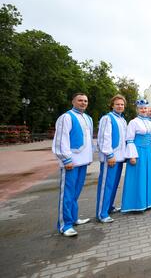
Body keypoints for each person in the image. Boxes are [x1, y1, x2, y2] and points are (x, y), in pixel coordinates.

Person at [52, 93, 93, 237]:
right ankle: (65, 225)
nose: (83, 103)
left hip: (83, 161)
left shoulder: (88, 118)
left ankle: (74, 218)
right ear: (73, 101)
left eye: (85, 101)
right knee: (67, 194)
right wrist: (66, 159)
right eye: (80, 100)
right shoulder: (66, 117)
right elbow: (60, 140)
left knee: (76, 193)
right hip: (71, 162)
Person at [96, 94, 127, 223]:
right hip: (111, 158)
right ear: (112, 105)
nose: (120, 106)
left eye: (122, 104)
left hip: (119, 158)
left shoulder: (123, 120)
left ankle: (109, 207)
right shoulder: (107, 118)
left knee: (114, 184)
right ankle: (101, 214)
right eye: (117, 104)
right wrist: (109, 154)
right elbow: (104, 138)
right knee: (106, 185)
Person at [121, 99, 151, 212]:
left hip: (148, 151)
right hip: (138, 151)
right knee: (138, 176)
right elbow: (130, 140)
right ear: (137, 109)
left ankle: (147, 202)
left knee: (147, 175)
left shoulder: (150, 123)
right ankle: (135, 204)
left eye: (145, 108)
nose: (143, 110)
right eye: (141, 108)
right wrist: (132, 156)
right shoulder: (133, 122)